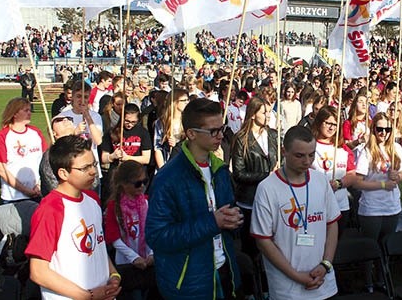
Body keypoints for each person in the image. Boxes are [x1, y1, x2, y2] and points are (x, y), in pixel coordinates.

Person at [146, 98, 244, 299]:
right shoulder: (168, 178)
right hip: (189, 281)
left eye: (222, 128)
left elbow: (228, 211)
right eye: (213, 131)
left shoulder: (220, 169)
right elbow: (157, 236)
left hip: (224, 270)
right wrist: (213, 222)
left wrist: (235, 219)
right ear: (191, 133)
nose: (220, 136)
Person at [25, 136, 122, 300]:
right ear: (63, 173)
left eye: (94, 164)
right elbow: (39, 272)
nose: (93, 172)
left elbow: (97, 246)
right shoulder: (50, 209)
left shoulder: (92, 199)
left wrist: (113, 275)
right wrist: (88, 296)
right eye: (85, 168)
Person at [251, 126, 341, 300]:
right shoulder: (267, 188)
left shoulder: (321, 180)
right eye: (299, 155)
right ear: (284, 152)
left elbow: (332, 224)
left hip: (324, 282)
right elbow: (263, 241)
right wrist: (297, 276)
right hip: (287, 289)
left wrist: (326, 263)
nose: (307, 161)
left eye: (311, 155)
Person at [231, 97, 279, 260]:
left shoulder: (273, 135)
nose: (268, 115)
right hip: (250, 201)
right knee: (251, 247)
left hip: (272, 199)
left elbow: (280, 159)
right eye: (264, 112)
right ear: (252, 114)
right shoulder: (241, 139)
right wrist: (266, 175)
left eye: (268, 112)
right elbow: (238, 173)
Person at [104, 160, 159, 300]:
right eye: (137, 183)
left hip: (148, 261)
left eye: (144, 181)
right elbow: (114, 239)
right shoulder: (113, 207)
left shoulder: (146, 202)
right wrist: (134, 258)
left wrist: (152, 253)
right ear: (123, 184)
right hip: (127, 264)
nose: (142, 186)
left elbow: (153, 231)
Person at [354, 112, 402, 245]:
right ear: (374, 129)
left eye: (387, 129)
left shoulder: (397, 148)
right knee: (370, 247)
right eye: (380, 129)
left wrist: (397, 176)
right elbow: (357, 183)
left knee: (387, 244)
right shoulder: (366, 151)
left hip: (392, 206)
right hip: (372, 208)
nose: (383, 133)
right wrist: (383, 185)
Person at [0, 97, 48, 203]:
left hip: (38, 192)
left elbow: (45, 159)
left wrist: (38, 185)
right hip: (14, 196)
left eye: (30, 110)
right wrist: (25, 190)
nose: (30, 113)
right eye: (25, 110)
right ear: (15, 114)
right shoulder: (3, 136)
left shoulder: (35, 132)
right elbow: (1, 170)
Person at [311, 106, 357, 234]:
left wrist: (339, 183)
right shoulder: (310, 145)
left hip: (340, 206)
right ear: (320, 122)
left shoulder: (343, 149)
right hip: (315, 207)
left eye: (335, 124)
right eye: (328, 123)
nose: (331, 128)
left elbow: (352, 175)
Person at [153, 89, 190, 168]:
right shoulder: (161, 122)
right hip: (168, 163)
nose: (187, 102)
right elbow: (157, 148)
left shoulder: (188, 120)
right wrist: (163, 170)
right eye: (184, 100)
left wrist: (177, 143)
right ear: (175, 102)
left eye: (188, 99)